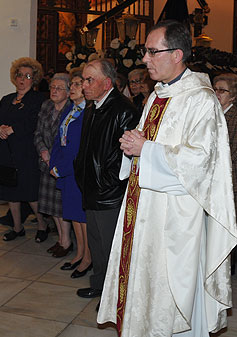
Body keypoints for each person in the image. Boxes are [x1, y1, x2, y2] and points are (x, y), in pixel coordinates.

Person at [98, 20, 237, 336]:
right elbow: (151, 145)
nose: (144, 59)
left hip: (175, 217)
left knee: (170, 290)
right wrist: (134, 145)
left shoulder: (201, 99)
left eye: (151, 51)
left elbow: (203, 163)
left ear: (176, 54)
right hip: (144, 206)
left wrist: (146, 148)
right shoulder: (157, 95)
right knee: (144, 284)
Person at [74, 59, 139, 299]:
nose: (84, 85)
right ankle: (100, 285)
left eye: (89, 80)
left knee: (112, 246)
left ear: (107, 82)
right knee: (96, 242)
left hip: (110, 192)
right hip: (91, 187)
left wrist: (108, 182)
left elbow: (127, 157)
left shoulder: (124, 110)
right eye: (83, 79)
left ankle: (115, 296)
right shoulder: (92, 106)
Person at [0, 57, 46, 241]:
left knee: (30, 192)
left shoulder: (38, 99)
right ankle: (17, 227)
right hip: (5, 152)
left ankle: (42, 225)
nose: (22, 79)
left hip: (25, 152)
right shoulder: (6, 99)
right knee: (10, 192)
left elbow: (34, 122)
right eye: (20, 75)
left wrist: (12, 129)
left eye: (27, 76)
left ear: (34, 79)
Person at [49, 71, 91, 276]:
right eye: (72, 84)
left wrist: (62, 168)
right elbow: (59, 140)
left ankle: (88, 257)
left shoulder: (87, 112)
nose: (72, 88)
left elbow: (77, 149)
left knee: (82, 217)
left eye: (77, 84)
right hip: (65, 170)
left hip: (76, 171)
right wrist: (53, 164)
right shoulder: (71, 110)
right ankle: (80, 253)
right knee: (74, 215)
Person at [34, 73, 72, 251]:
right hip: (46, 162)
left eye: (59, 88)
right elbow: (38, 133)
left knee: (61, 206)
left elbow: (69, 141)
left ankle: (66, 241)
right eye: (52, 87)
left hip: (61, 164)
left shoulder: (73, 109)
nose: (54, 91)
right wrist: (43, 151)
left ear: (68, 91)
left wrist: (54, 157)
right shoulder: (47, 105)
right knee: (52, 206)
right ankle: (61, 239)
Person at [213, 73, 237, 223]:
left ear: (233, 96)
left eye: (222, 90)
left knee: (226, 224)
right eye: (215, 89)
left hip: (230, 178)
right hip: (211, 176)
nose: (217, 93)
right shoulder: (211, 115)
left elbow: (235, 152)